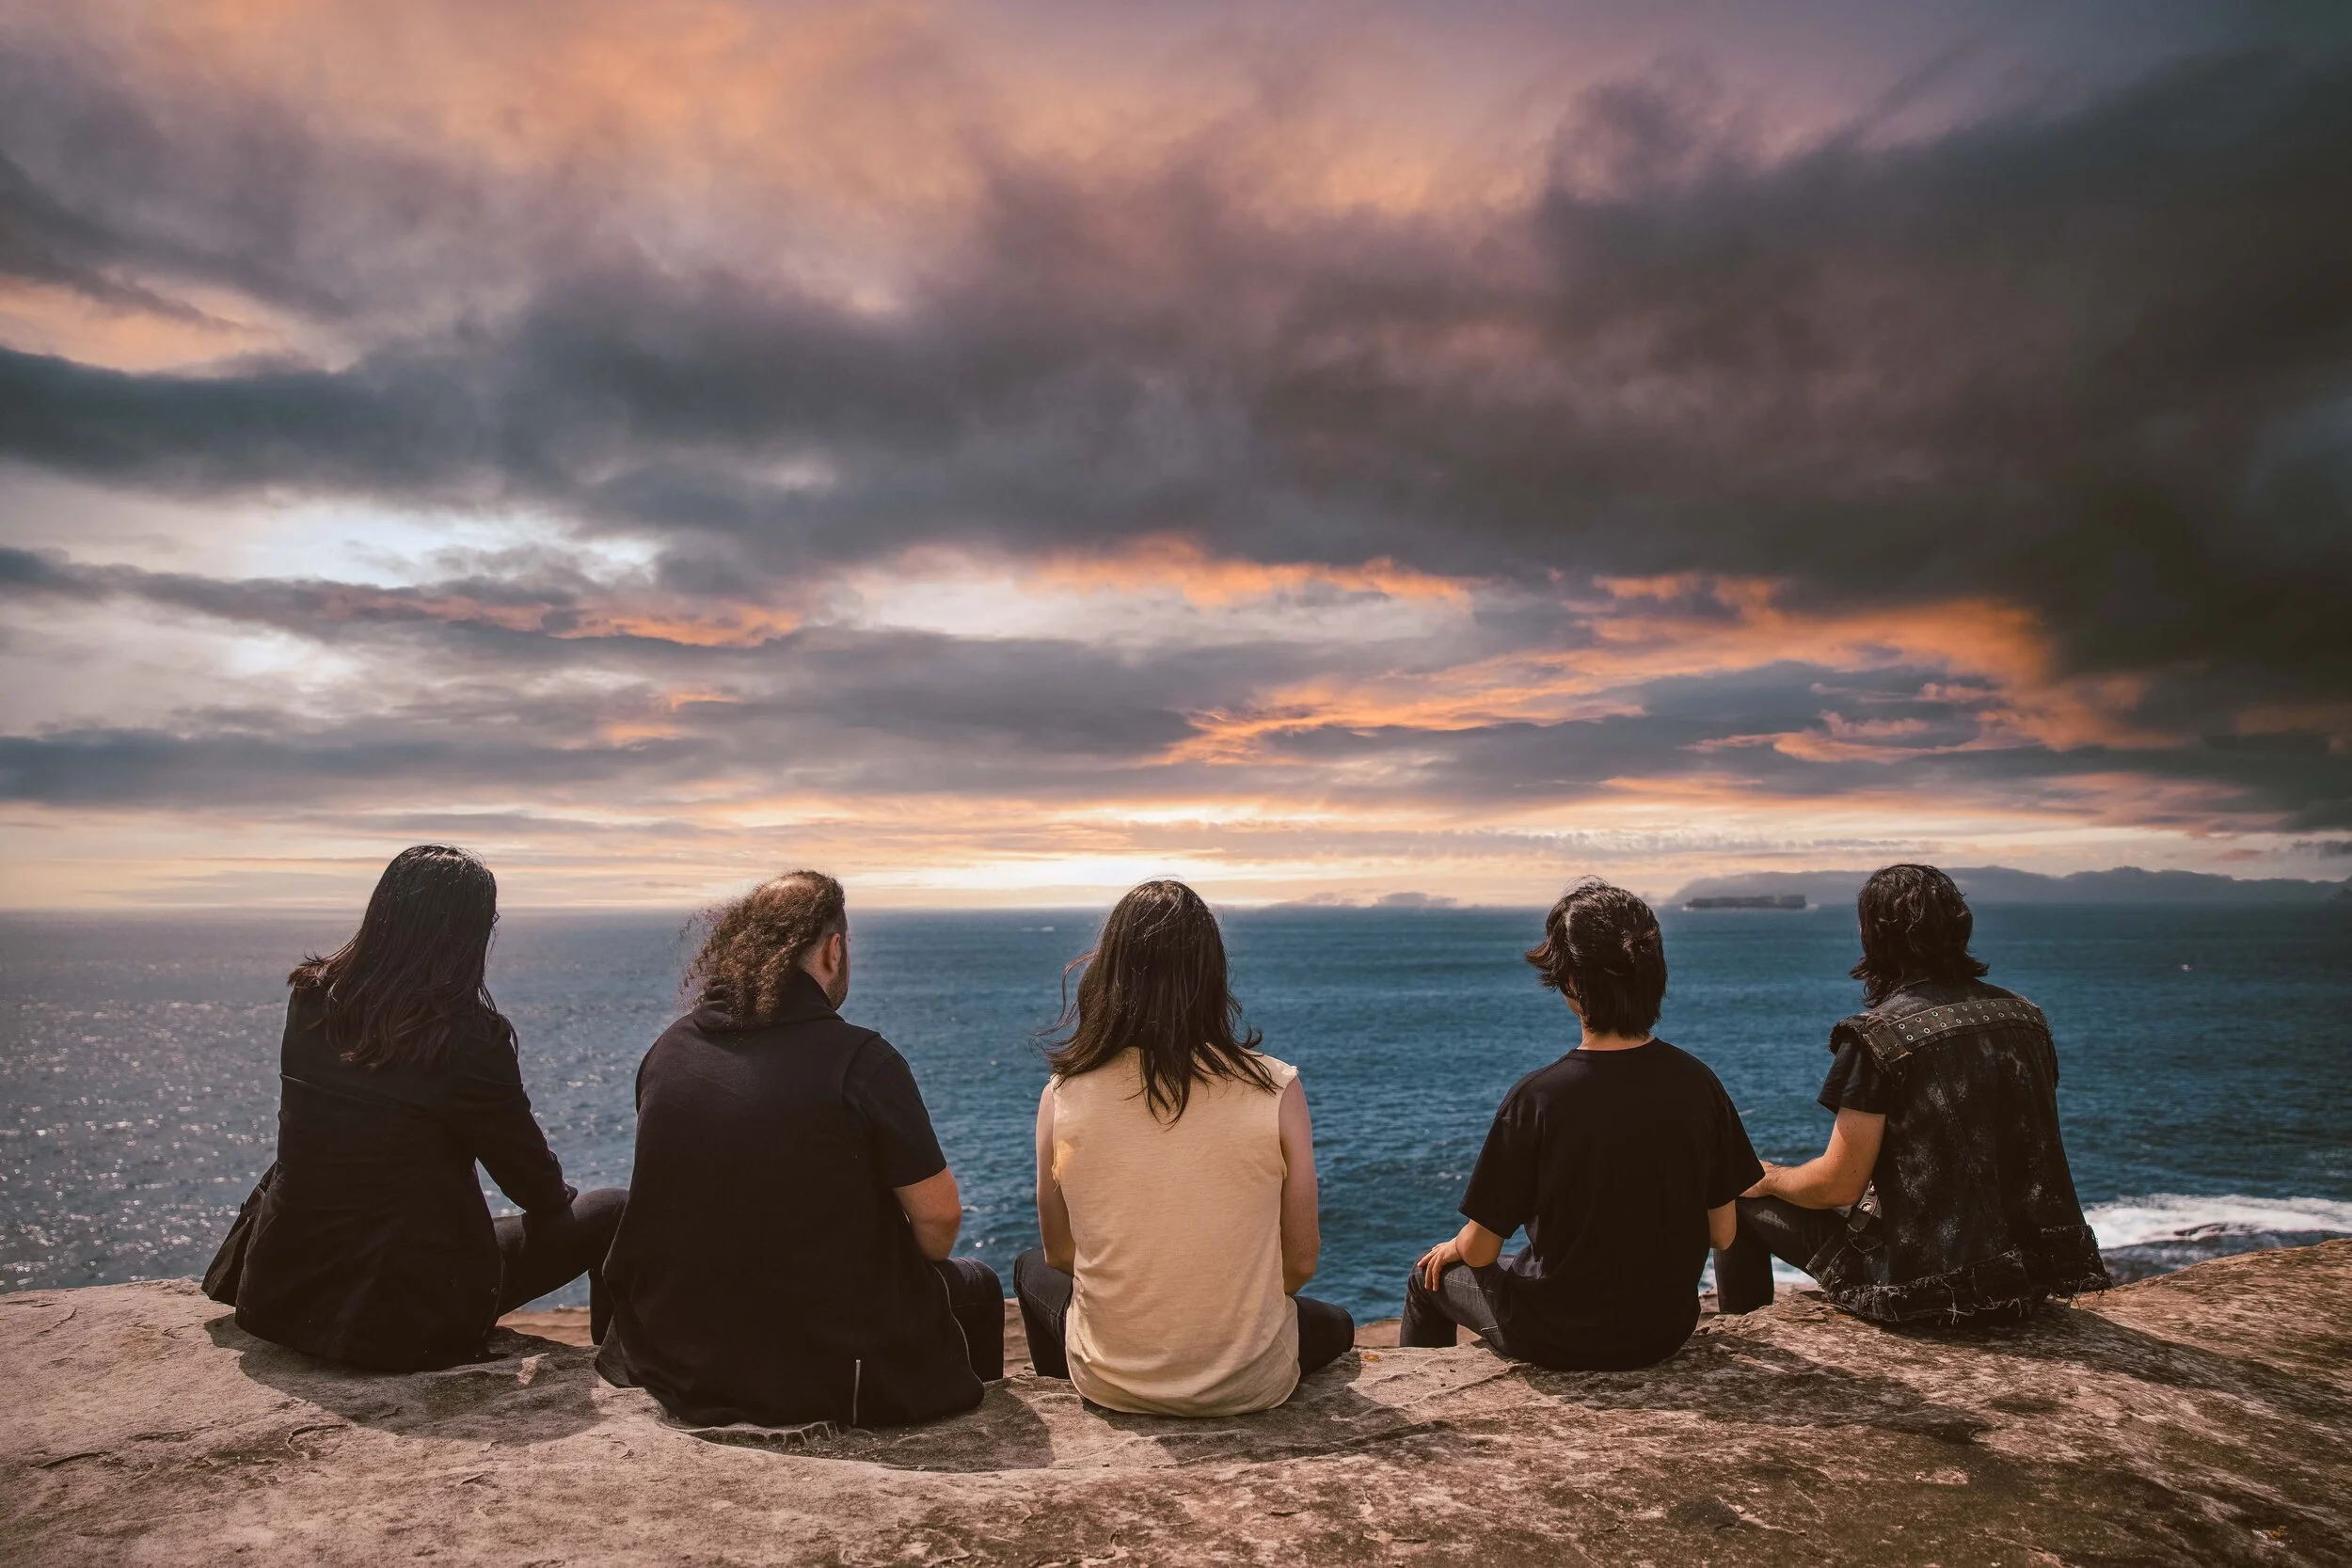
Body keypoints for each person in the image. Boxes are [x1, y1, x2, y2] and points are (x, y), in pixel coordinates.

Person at [596, 871, 1002, 1429]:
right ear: (833, 951)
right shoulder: (862, 1062)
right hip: (821, 1376)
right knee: (976, 1283)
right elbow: (939, 1222)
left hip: (680, 1363)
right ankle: (968, 1433)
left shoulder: (669, 1049)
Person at [226, 845, 625, 1372]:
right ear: (468, 933)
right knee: (614, 1210)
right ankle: (619, 1371)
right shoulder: (467, 1038)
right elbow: (532, 1185)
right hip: (397, 1318)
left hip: (280, 1294)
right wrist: (554, 1202)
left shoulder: (311, 998)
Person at [1714, 863, 2109, 1323]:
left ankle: (1748, 1333)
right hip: (2027, 1279)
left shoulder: (1877, 1037)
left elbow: (1839, 1185)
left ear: (1873, 937)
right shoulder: (2026, 1018)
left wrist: (1765, 1176)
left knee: (1738, 1199)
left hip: (1924, 1288)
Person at [1016, 879, 1353, 1416]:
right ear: (1211, 977)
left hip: (1113, 1384)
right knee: (1336, 1324)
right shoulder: (1277, 1088)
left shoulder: (1063, 1093)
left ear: (1109, 974)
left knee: (1028, 1266)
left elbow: (1061, 1255)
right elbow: (1300, 1263)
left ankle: (1070, 1386)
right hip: (1248, 1383)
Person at [1402, 878, 1761, 1370]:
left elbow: (1482, 1251)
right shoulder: (1700, 1083)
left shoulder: (1537, 1099)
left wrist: (1453, 1246)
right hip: (1664, 1330)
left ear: (1571, 982)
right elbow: (1722, 1234)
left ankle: (1423, 1403)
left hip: (1559, 1335)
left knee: (1427, 1277)